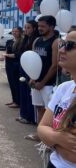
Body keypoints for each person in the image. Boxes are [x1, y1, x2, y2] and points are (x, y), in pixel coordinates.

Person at [38, 31, 76, 168]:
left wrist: (52, 141)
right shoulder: (64, 88)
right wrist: (59, 139)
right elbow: (42, 128)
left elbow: (71, 156)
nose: (61, 50)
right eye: (63, 44)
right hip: (54, 164)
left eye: (70, 46)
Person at [26, 16, 60, 141]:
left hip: (49, 83)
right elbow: (32, 61)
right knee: (39, 108)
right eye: (39, 26)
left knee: (49, 111)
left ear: (51, 27)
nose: (39, 28)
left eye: (43, 26)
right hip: (36, 82)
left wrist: (43, 82)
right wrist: (32, 77)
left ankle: (48, 137)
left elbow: (55, 65)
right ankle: (39, 134)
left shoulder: (55, 42)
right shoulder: (37, 41)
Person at [16, 20, 39, 125]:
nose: (26, 30)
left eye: (28, 28)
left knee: (30, 94)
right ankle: (23, 114)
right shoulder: (25, 40)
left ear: (34, 28)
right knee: (23, 92)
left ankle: (30, 117)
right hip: (23, 68)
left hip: (31, 70)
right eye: (25, 28)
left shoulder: (36, 41)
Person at [0, 27, 23, 108]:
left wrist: (6, 55)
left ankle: (18, 102)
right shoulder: (9, 41)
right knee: (11, 83)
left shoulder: (22, 42)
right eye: (13, 31)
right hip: (9, 64)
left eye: (16, 31)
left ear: (20, 32)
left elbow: (17, 55)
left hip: (16, 65)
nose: (14, 33)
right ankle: (14, 100)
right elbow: (6, 51)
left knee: (16, 83)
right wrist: (3, 56)